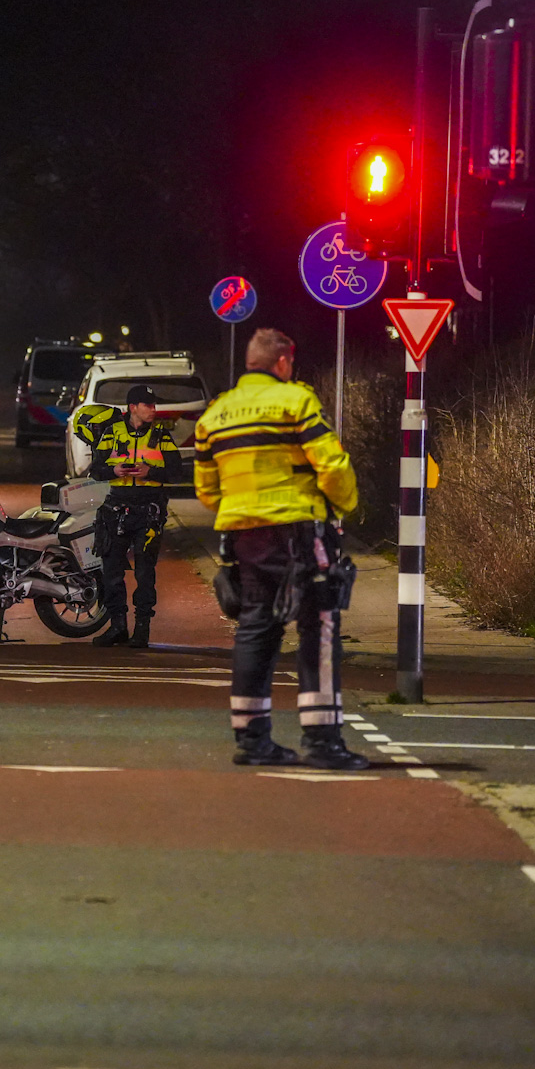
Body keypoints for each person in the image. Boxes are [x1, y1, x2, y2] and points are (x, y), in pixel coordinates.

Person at [195, 327, 367, 771]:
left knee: (256, 626)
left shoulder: (214, 415)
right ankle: (323, 741)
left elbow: (206, 487)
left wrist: (241, 509)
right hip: (298, 530)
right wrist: (341, 505)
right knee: (320, 625)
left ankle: (252, 740)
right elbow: (331, 464)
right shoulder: (296, 401)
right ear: (284, 363)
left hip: (243, 536)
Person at [88, 384, 180, 649]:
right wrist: (113, 470)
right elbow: (95, 469)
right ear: (133, 408)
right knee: (111, 571)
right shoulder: (111, 433)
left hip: (148, 510)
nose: (153, 410)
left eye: (153, 405)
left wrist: (149, 472)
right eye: (148, 405)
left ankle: (142, 629)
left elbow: (176, 472)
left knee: (144, 572)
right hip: (116, 508)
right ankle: (117, 626)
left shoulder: (161, 435)